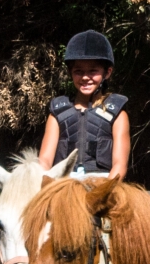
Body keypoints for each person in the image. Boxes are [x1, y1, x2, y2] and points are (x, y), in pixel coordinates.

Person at [38, 30, 131, 179]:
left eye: (93, 71)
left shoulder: (118, 113)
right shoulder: (57, 113)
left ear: (107, 72)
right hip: (63, 184)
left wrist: (103, 192)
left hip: (102, 183)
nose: (85, 77)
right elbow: (44, 161)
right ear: (70, 73)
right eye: (78, 71)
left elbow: (119, 165)